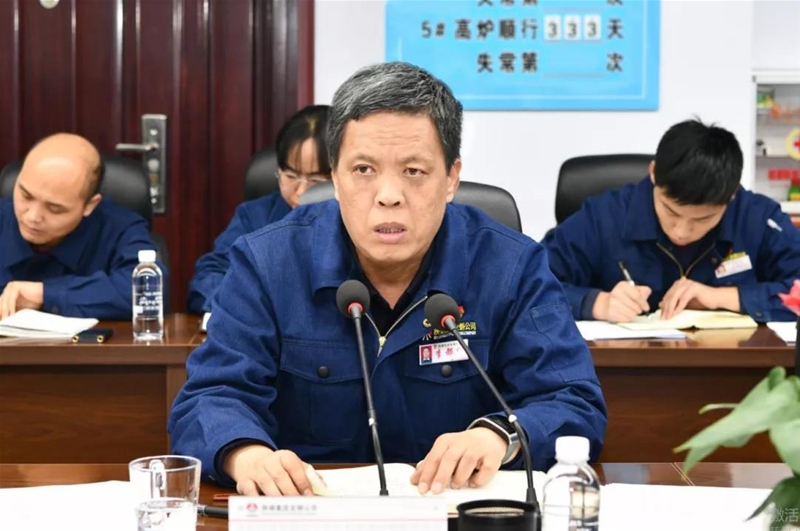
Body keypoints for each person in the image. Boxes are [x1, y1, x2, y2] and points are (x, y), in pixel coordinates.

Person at [168, 62, 606, 498]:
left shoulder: (511, 266)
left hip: (457, 512)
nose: (389, 196)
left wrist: (500, 436)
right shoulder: (267, 263)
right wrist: (246, 454)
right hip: (312, 515)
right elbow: (209, 397)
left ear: (451, 178)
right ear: (335, 176)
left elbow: (572, 401)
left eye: (414, 171)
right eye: (363, 170)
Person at [542, 119, 800, 324]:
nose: (681, 232)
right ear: (653, 173)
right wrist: (596, 303)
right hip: (619, 366)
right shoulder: (603, 217)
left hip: (733, 365)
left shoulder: (758, 218)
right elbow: (532, 284)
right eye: (671, 211)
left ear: (732, 194)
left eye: (703, 218)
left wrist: (720, 297)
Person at [186, 105, 332, 314]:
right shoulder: (254, 216)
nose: (300, 192)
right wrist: (250, 309)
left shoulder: (358, 221)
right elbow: (211, 275)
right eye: (290, 176)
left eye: (315, 180)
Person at [0, 133, 161, 320]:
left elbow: (149, 290)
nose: (32, 216)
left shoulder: (121, 228)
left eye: (54, 208)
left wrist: (46, 294)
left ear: (89, 205)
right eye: (26, 196)